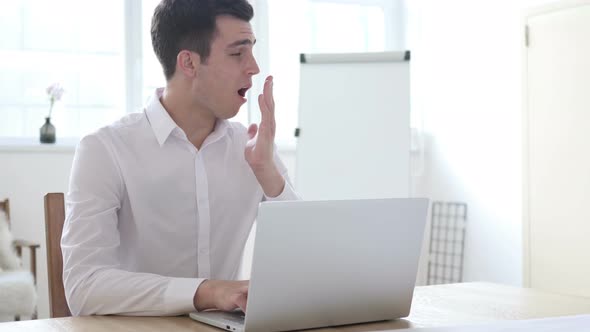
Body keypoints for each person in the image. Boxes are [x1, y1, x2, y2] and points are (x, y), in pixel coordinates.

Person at [62, 0, 299, 316]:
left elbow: (309, 262)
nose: (254, 67)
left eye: (252, 50)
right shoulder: (105, 149)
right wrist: (206, 292)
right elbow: (84, 288)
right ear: (188, 63)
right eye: (237, 53)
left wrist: (269, 174)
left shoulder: (252, 148)